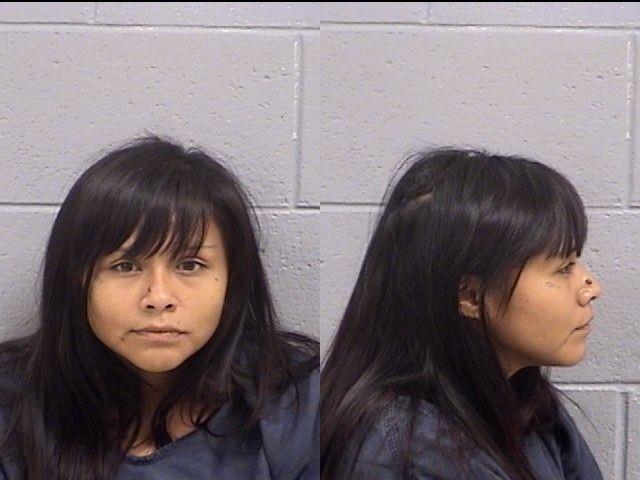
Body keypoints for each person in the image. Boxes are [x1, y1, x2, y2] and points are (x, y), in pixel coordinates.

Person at [0, 135, 319, 480]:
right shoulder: (11, 405)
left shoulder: (297, 401)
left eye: (190, 265)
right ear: (77, 279)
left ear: (233, 279)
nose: (158, 298)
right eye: (125, 266)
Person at [320, 148, 603, 480]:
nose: (591, 288)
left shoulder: (528, 405)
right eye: (563, 268)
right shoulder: (404, 454)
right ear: (471, 296)